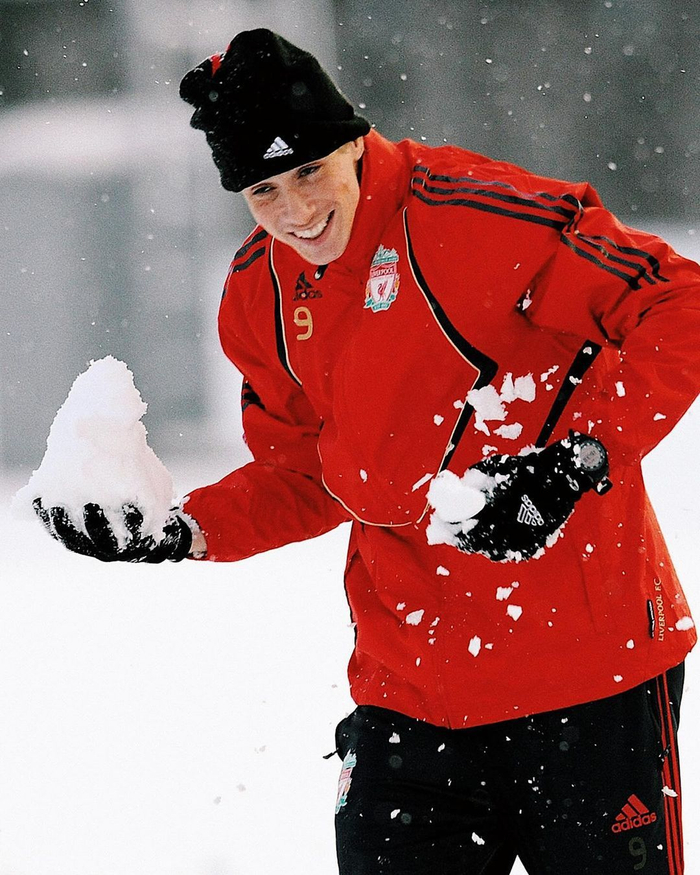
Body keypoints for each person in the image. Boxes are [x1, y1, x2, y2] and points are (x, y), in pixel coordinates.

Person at [33, 28, 700, 875]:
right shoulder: (258, 294)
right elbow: (308, 476)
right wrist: (180, 528)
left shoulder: (477, 212)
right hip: (409, 692)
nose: (297, 212)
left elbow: (678, 302)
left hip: (590, 681)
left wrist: (574, 462)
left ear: (353, 143)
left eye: (310, 171)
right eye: (263, 190)